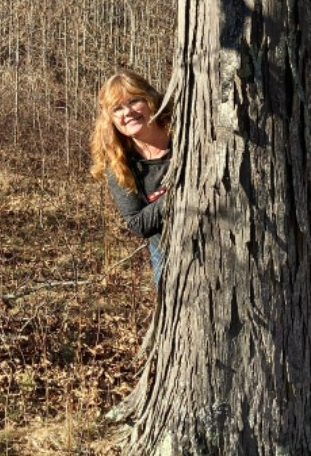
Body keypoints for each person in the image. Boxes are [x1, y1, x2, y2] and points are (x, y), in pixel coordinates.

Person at [90, 70, 172, 287]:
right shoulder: (118, 162)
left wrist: (157, 202)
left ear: (150, 99)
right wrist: (175, 195)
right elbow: (137, 223)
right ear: (111, 119)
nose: (127, 112)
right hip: (167, 251)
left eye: (134, 100)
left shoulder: (185, 131)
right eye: (117, 108)